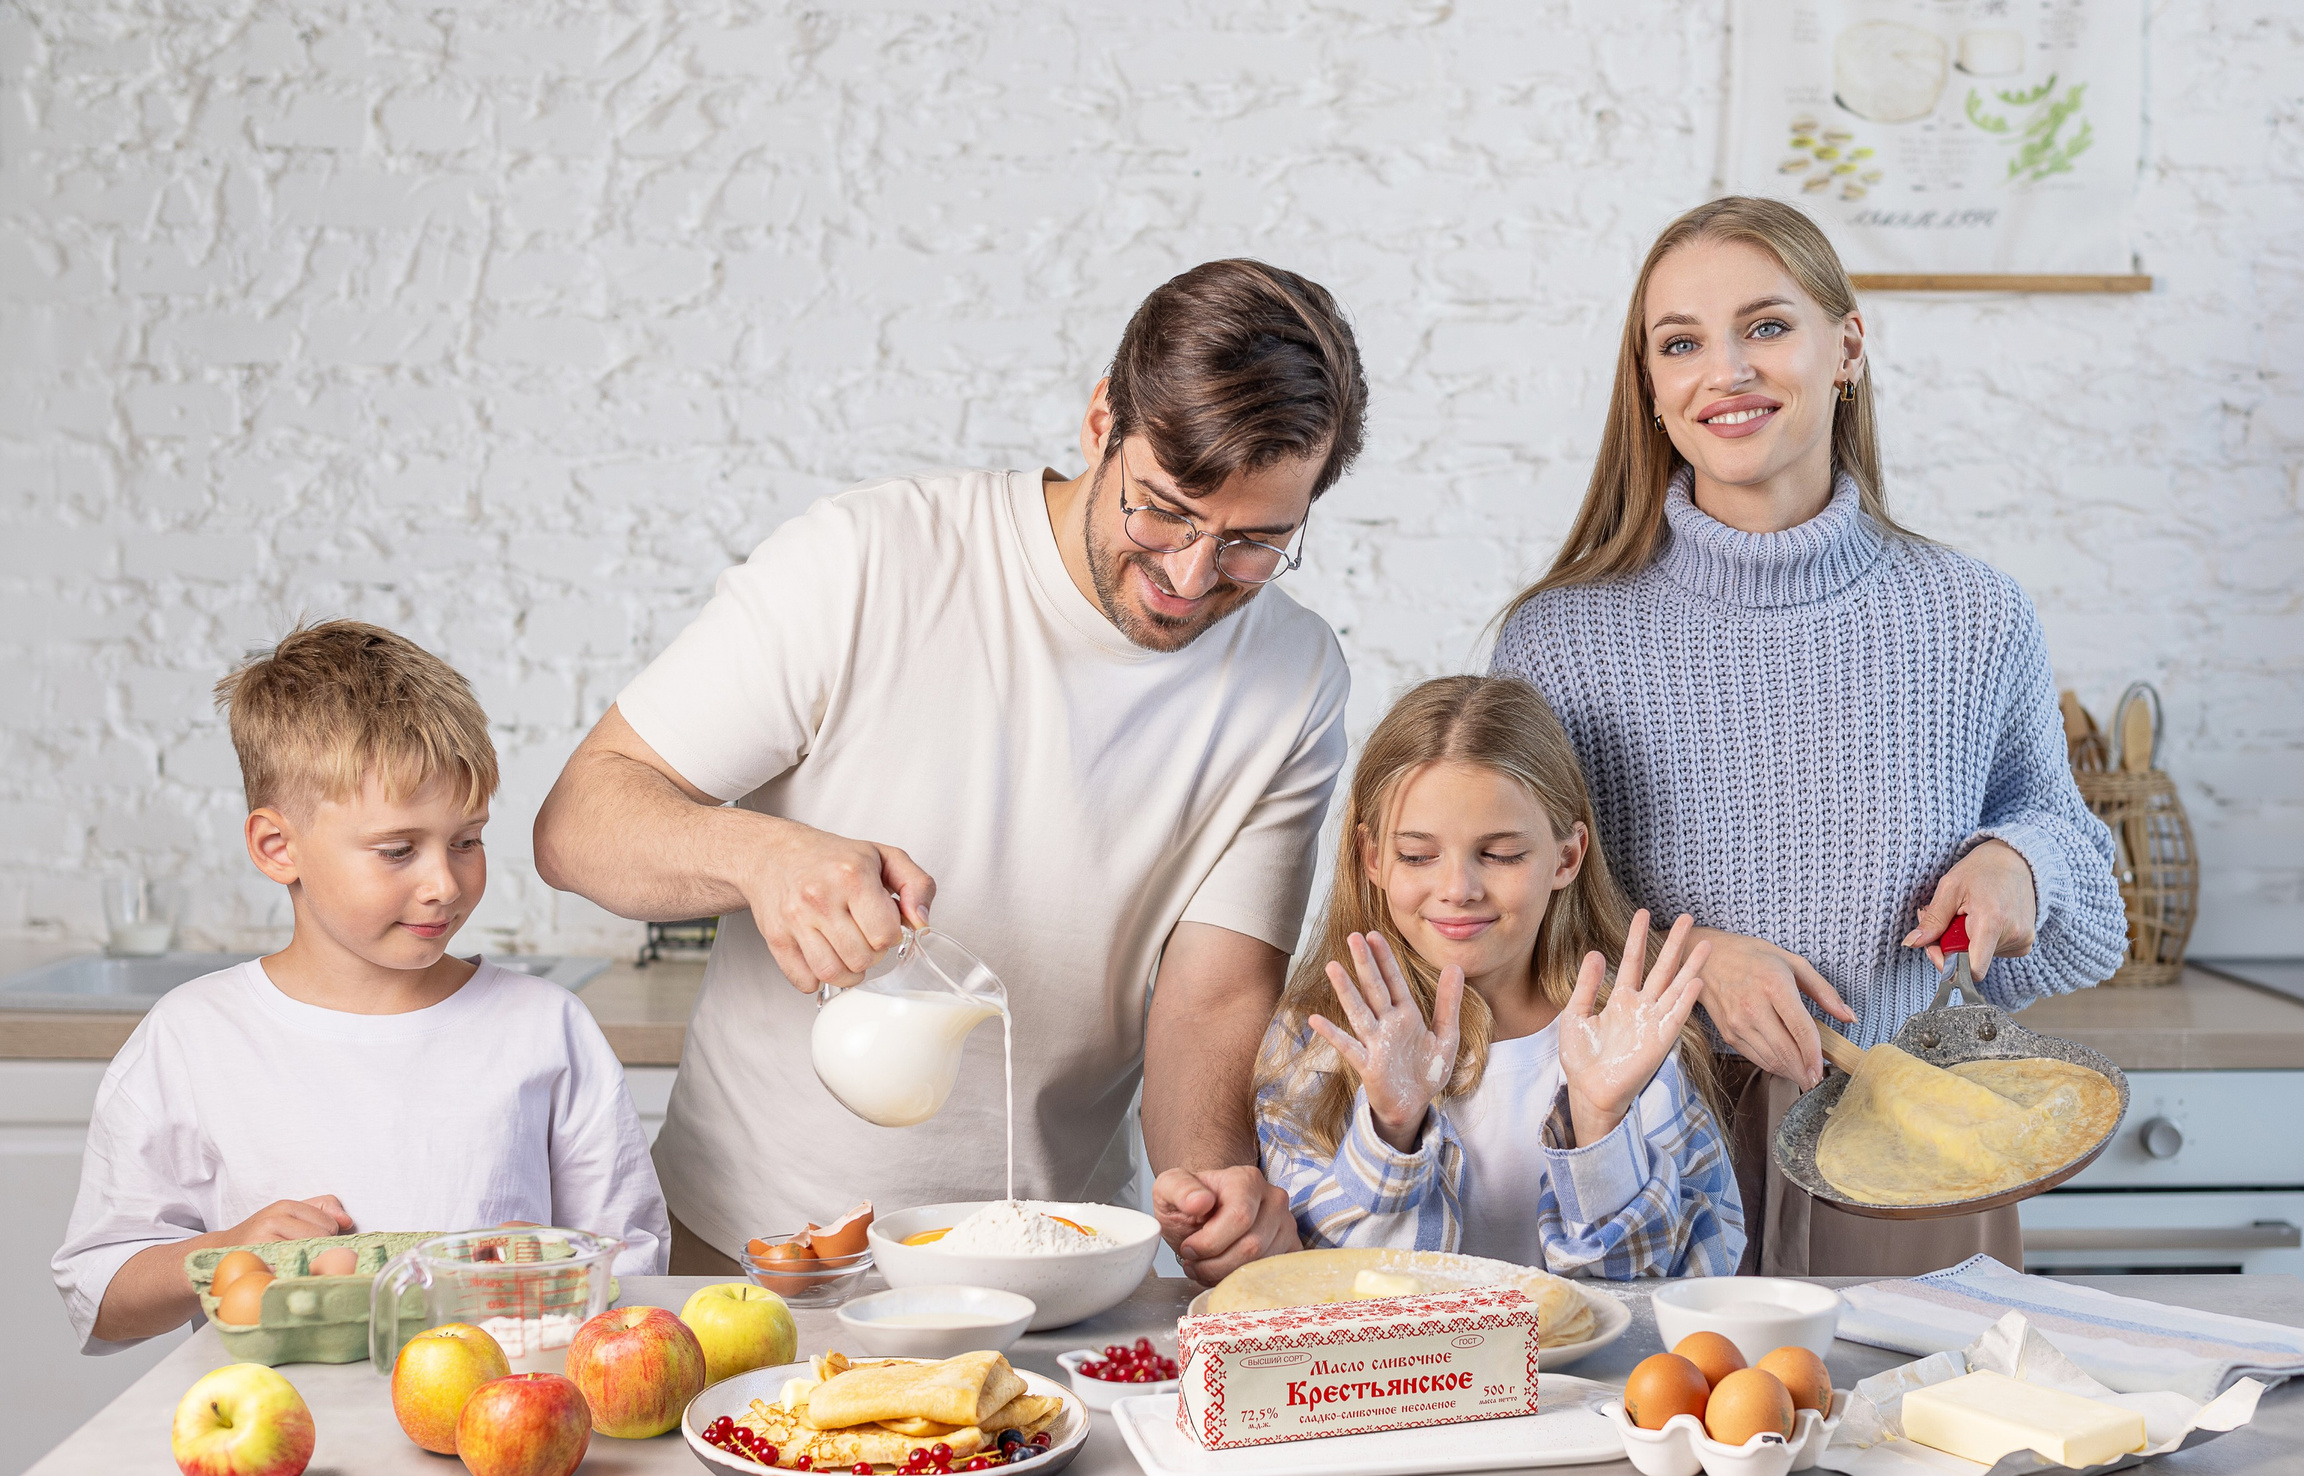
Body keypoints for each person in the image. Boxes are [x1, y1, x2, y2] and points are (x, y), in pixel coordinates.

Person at [533, 261, 1368, 1282]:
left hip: (1040, 1270)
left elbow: (1210, 999)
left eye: (1252, 544)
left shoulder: (1293, 677)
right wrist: (757, 855)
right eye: (1162, 510)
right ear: (1101, 420)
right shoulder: (870, 561)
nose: (1191, 578)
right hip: (754, 1253)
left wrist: (1211, 1192)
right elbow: (576, 822)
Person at [1492, 198, 2126, 1276]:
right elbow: (1513, 928)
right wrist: (1694, 966)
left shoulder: (1972, 615)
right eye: (1680, 343)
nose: (1724, 370)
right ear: (1649, 389)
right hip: (1644, 1159)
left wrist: (2020, 862)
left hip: (1914, 1148)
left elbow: (2075, 864)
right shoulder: (1561, 639)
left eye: (1766, 327)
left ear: (1847, 347)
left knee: (1939, 1439)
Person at [53, 622, 669, 1352]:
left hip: (499, 1434)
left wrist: (563, 1264)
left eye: (467, 839)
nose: (445, 883)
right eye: (398, 850)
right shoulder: (195, 1037)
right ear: (277, 848)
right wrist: (225, 1253)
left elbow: (638, 1263)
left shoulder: (545, 1028)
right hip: (281, 1439)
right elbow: (97, 1294)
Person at [1255, 676, 1747, 1278]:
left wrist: (1598, 1124)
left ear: (1567, 857)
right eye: (1417, 856)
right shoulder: (1318, 1039)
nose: (1458, 890)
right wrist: (1391, 1130)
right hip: (1405, 1373)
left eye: (1503, 854)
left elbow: (1695, 1279)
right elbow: (1318, 1287)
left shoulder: (1632, 1037)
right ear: (1372, 858)